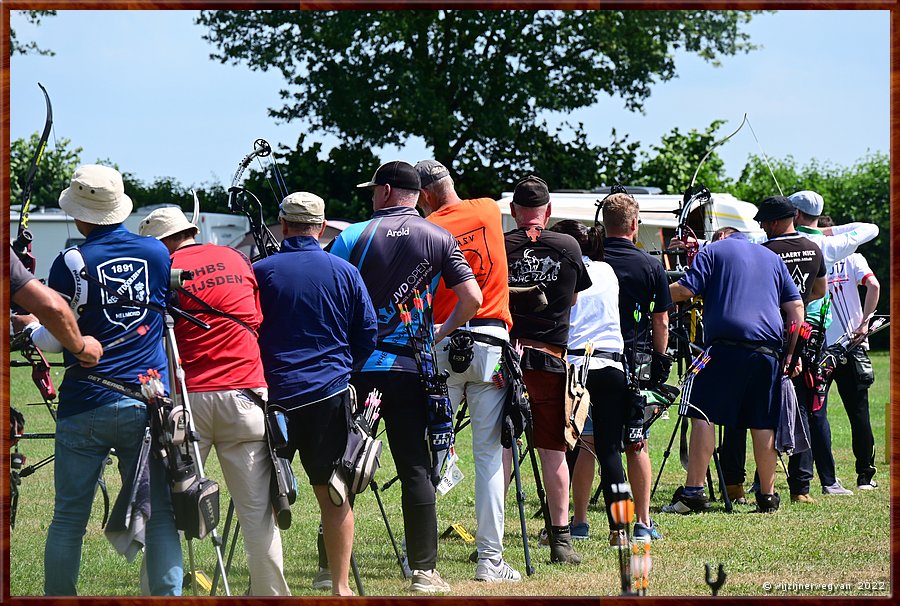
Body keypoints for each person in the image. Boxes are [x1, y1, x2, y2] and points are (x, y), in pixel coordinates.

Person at [29, 164, 183, 595]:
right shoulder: (156, 252)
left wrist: (30, 331)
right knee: (161, 516)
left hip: (86, 401)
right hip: (146, 400)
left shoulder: (71, 261)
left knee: (68, 518)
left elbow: (60, 338)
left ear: (80, 215)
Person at [330, 161, 482, 593]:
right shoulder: (439, 236)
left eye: (373, 188)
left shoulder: (352, 235)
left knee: (343, 463)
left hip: (360, 369)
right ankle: (424, 572)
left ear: (386, 190)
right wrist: (441, 330)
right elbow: (471, 297)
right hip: (413, 367)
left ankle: (329, 567)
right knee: (415, 468)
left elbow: (332, 293)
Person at [138, 206, 289, 595]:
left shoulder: (162, 270)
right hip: (245, 394)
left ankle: (157, 593)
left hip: (187, 401)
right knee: (258, 516)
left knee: (168, 513)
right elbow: (254, 319)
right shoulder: (236, 258)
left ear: (160, 243)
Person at [254, 192, 378, 596]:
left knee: (266, 493)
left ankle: (267, 585)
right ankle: (340, 586)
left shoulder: (261, 271)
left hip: (274, 394)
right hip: (328, 391)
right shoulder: (344, 271)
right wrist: (344, 368)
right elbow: (367, 334)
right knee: (334, 492)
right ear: (322, 228)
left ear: (282, 225)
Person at [415, 159, 520, 583]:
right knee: (489, 457)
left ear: (424, 197)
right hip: (491, 342)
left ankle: (420, 557)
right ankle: (489, 561)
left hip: (443, 340)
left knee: (429, 454)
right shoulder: (489, 209)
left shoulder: (425, 231)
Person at [664, 228, 804, 514]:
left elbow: (686, 290)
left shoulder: (714, 251)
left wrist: (653, 292)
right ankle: (768, 496)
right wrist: (792, 352)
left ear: (721, 238)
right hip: (768, 353)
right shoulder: (772, 258)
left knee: (700, 411)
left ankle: (693, 493)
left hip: (722, 347)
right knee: (763, 421)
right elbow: (796, 307)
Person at [504, 175, 590, 564]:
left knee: (500, 450)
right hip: (551, 359)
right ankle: (560, 541)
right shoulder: (568, 245)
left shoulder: (502, 245)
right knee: (553, 451)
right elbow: (570, 299)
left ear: (513, 212)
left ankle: (491, 537)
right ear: (549, 211)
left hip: (506, 360)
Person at [719, 196, 826, 504]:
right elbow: (820, 290)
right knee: (799, 408)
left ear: (778, 222)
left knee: (741, 408)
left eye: (765, 222)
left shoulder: (765, 252)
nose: (763, 228)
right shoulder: (814, 248)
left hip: (765, 336)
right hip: (799, 334)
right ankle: (800, 487)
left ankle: (735, 483)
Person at [786, 190, 879, 500]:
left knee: (804, 409)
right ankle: (842, 479)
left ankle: (797, 483)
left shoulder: (783, 244)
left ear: (795, 215)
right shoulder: (831, 246)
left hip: (801, 336)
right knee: (831, 411)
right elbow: (870, 228)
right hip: (824, 339)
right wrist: (826, 231)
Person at [548, 220, 633, 547]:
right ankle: (620, 530)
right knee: (611, 450)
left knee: (565, 449)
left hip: (574, 365)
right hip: (611, 363)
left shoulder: (563, 273)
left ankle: (559, 526)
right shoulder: (607, 271)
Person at [600, 193, 671, 541]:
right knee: (636, 442)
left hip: (591, 359)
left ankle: (579, 522)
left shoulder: (591, 262)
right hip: (634, 359)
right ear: (633, 225)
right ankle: (641, 522)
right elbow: (661, 320)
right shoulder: (650, 265)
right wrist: (661, 359)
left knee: (590, 444)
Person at [818, 215, 881, 490]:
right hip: (852, 346)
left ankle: (821, 476)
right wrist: (864, 323)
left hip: (818, 348)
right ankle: (865, 476)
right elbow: (874, 285)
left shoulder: (814, 258)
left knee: (814, 413)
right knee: (859, 413)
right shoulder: (854, 258)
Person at [10, 246, 103, 367]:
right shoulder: (136, 247)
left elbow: (53, 311)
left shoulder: (67, 260)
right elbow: (53, 309)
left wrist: (29, 327)